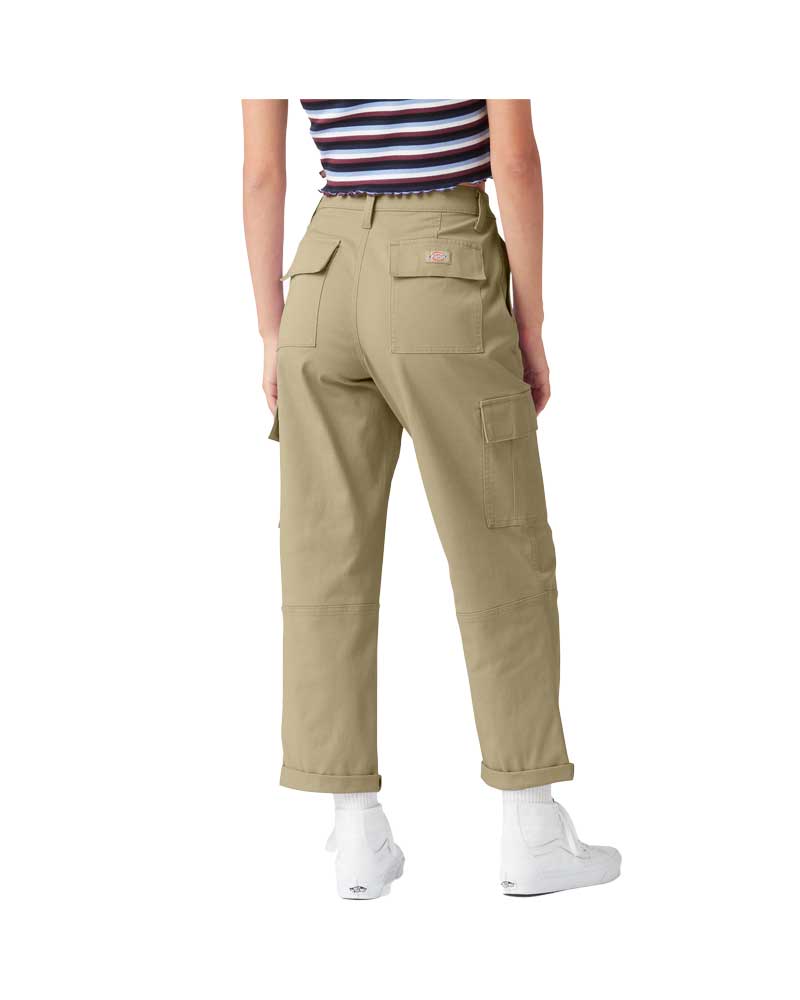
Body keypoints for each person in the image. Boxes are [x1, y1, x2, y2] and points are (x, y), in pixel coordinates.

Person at [242, 99, 620, 899]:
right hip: (443, 264)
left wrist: (272, 333)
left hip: (320, 274)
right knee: (499, 546)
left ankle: (356, 836)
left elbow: (263, 172)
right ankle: (532, 828)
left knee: (324, 561)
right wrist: (531, 324)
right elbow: (515, 160)